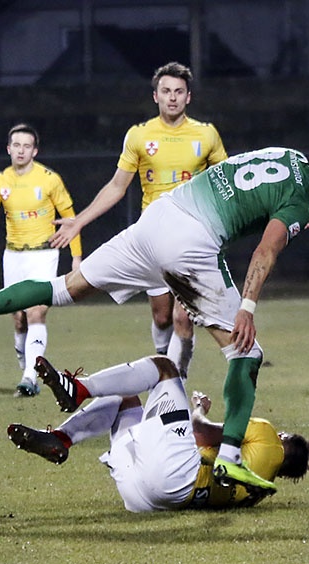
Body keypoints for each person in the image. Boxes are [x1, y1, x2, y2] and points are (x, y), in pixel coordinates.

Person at [0, 146, 309, 496]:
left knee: (63, 289)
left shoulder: (291, 162)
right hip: (192, 240)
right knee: (247, 353)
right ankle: (232, 461)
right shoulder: (303, 198)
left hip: (157, 219)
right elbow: (268, 247)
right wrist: (248, 306)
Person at [57, 61, 227, 379]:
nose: (172, 97)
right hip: (153, 238)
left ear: (189, 97)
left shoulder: (206, 135)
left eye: (179, 91)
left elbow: (228, 183)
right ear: (155, 97)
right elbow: (117, 186)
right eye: (166, 91)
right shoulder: (140, 135)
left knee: (182, 317)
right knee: (162, 318)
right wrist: (79, 220)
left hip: (193, 238)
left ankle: (174, 384)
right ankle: (164, 363)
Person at [7, 354, 309, 511]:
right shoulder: (256, 494)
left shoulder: (267, 435)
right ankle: (60, 439)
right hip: (144, 500)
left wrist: (200, 408)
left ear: (285, 439)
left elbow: (198, 432)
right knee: (125, 395)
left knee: (164, 368)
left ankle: (78, 389)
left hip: (175, 474)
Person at [0, 123, 83, 397]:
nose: (21, 151)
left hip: (44, 253)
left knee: (36, 311)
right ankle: (26, 366)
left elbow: (70, 216)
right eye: (16, 146)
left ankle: (30, 376)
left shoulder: (49, 179)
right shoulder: (0, 180)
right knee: (19, 318)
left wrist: (76, 256)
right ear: (9, 149)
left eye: (27, 146)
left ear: (35, 150)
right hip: (13, 255)